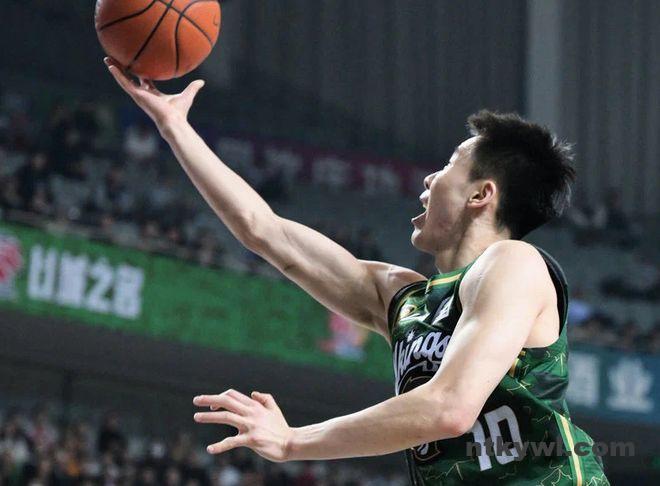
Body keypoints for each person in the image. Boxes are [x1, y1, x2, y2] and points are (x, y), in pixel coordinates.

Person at [105, 58, 609, 485]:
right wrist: (174, 127)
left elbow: (449, 408)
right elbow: (265, 231)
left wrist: (292, 441)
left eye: (448, 166)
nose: (429, 179)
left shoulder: (515, 263)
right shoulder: (407, 300)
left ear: (481, 194)